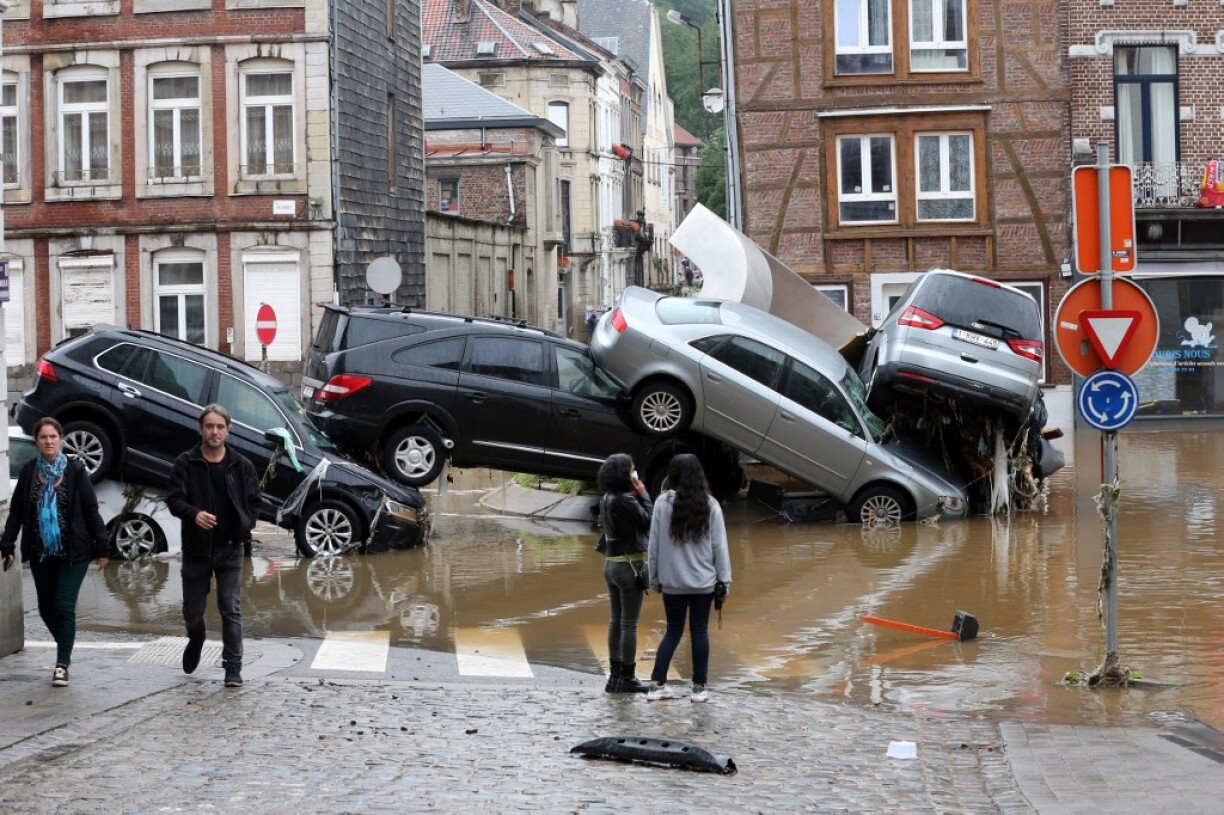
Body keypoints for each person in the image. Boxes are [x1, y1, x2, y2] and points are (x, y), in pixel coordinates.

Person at [1, 417, 110, 687]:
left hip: (74, 552)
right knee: (46, 608)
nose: (48, 441)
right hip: (41, 552)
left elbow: (91, 510)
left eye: (53, 437)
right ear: (37, 442)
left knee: (63, 605)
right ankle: (66, 643)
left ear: (61, 439)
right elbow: (15, 513)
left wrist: (102, 547)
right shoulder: (29, 472)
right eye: (43, 437)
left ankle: (62, 663)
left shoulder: (75, 471)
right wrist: (7, 545)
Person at [167, 404, 261, 688]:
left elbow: (255, 503)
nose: (215, 431)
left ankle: (233, 667)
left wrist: (244, 526)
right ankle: (196, 638)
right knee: (192, 613)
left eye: (220, 426)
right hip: (196, 550)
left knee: (229, 607)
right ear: (201, 429)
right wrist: (194, 514)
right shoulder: (186, 461)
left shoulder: (241, 464)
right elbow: (173, 499)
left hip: (230, 549)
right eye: (210, 426)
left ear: (228, 430)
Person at [645, 454, 731, 703]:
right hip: (703, 583)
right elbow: (720, 548)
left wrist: (654, 578)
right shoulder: (710, 505)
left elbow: (654, 546)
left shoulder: (662, 503)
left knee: (672, 632)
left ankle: (656, 685)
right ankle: (699, 688)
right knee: (699, 632)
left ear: (671, 475)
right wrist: (724, 582)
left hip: (672, 583)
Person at [596, 453, 653, 694]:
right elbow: (650, 520)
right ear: (624, 474)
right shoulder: (626, 500)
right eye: (632, 470)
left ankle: (614, 676)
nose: (635, 474)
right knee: (629, 624)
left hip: (612, 565)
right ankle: (627, 677)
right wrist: (644, 495)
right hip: (630, 567)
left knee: (615, 622)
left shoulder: (607, 498)